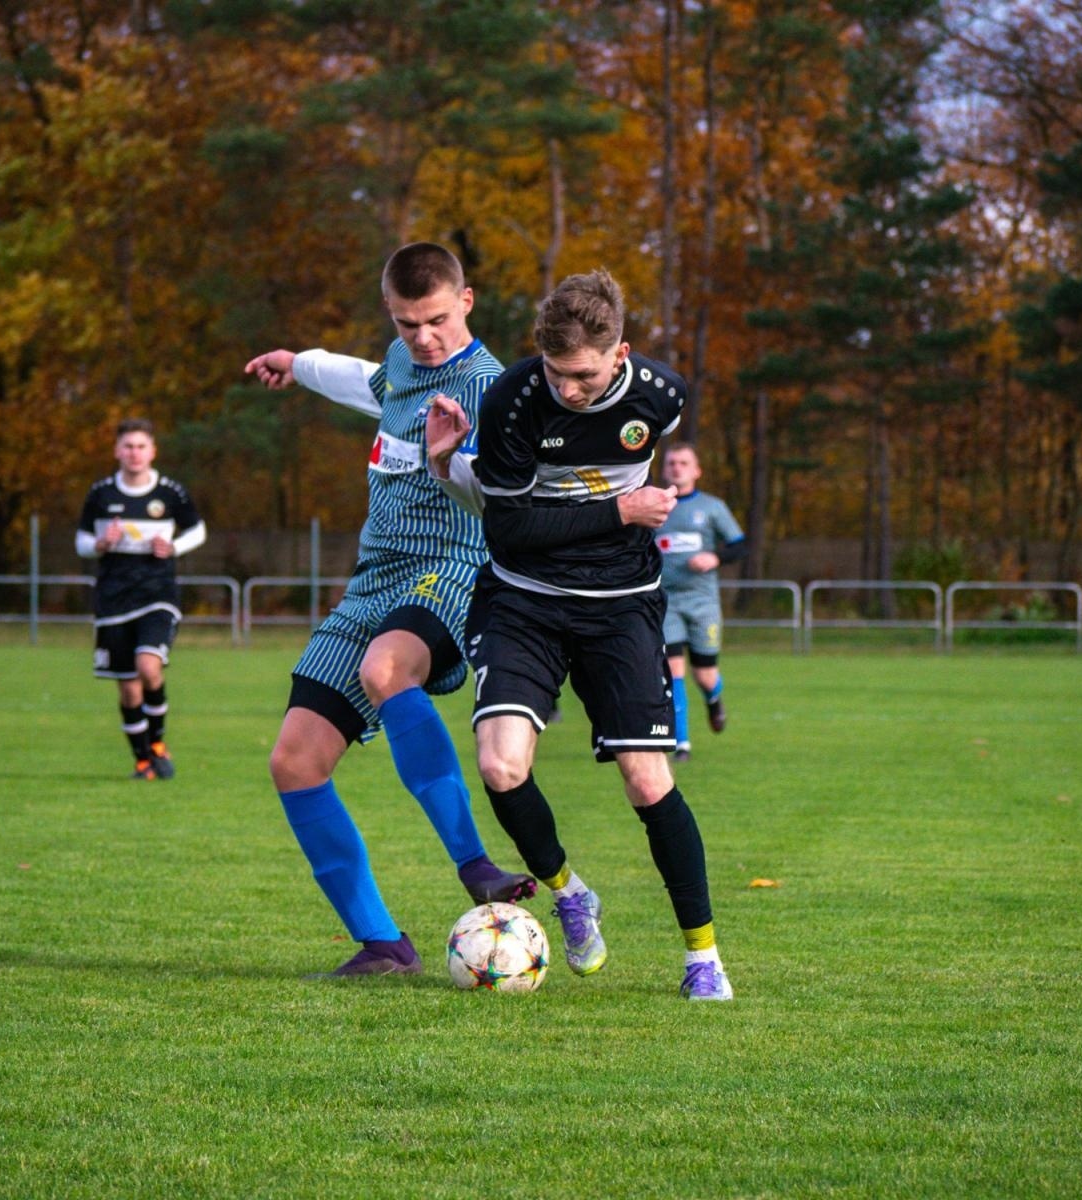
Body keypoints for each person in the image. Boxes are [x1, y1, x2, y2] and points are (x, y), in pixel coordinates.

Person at [426, 268, 734, 1001]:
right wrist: (621, 512)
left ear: (619, 353)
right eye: (558, 373)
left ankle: (704, 958)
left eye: (585, 375)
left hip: (622, 604)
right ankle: (568, 893)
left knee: (648, 778)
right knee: (501, 766)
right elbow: (514, 529)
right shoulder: (511, 402)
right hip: (523, 601)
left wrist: (621, 520)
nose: (569, 389)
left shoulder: (661, 399)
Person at [243, 242, 535, 979]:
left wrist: (454, 460)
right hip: (374, 579)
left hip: (453, 570)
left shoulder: (492, 391)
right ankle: (382, 943)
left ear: (466, 302)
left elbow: (517, 498)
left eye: (436, 319)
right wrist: (297, 359)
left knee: (386, 666)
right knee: (294, 760)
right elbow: (370, 381)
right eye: (408, 322)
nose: (424, 337)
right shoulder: (402, 362)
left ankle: (476, 866)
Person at [76, 418, 206, 780]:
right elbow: (81, 542)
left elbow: (199, 529)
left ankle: (159, 744)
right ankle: (143, 762)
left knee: (149, 667)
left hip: (157, 593)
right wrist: (100, 544)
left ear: (153, 451)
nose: (134, 453)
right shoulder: (101, 494)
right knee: (129, 688)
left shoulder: (170, 493)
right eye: (128, 446)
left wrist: (174, 546)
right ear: (117, 451)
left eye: (141, 446)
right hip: (113, 598)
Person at [655, 443, 746, 762]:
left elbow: (740, 545)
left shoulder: (712, 507)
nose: (677, 468)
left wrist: (715, 556)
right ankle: (682, 742)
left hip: (702, 602)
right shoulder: (655, 506)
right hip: (666, 601)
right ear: (664, 469)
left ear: (696, 470)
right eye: (671, 463)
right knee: (672, 668)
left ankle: (713, 700)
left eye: (684, 463)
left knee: (704, 674)